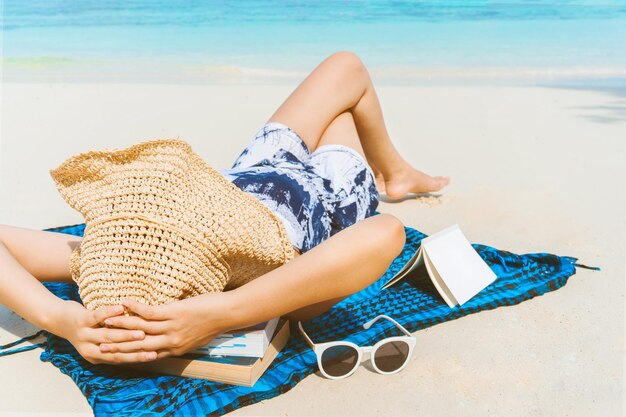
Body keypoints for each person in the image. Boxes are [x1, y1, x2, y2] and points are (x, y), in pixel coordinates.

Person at [0, 51, 449, 366]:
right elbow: (385, 233)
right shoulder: (273, 281)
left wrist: (59, 318)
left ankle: (396, 170)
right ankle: (394, 173)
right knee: (345, 99)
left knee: (345, 68)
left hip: (246, 175)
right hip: (326, 194)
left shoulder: (113, 249)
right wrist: (222, 312)